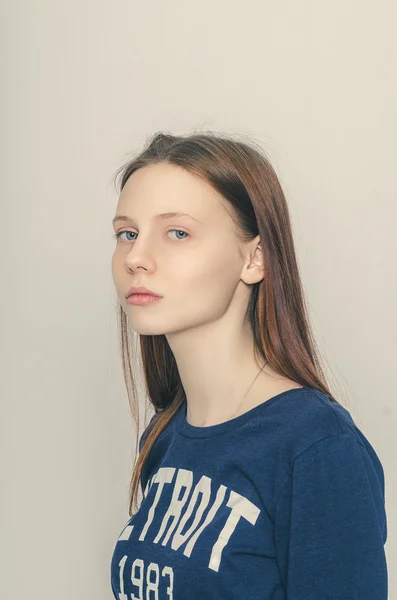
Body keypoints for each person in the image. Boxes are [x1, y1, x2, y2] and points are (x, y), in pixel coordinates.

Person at [109, 131, 388, 599]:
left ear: (255, 257)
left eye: (177, 232)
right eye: (127, 233)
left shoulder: (316, 446)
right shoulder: (165, 435)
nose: (136, 257)